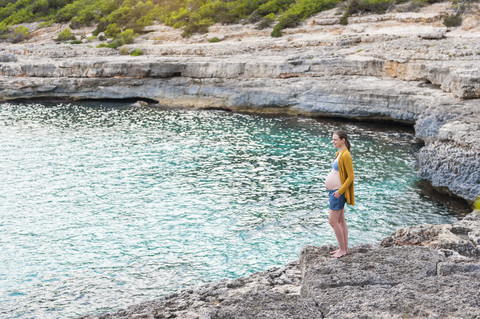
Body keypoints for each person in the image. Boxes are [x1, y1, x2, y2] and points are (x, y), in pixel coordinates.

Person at [324, 130, 355, 258]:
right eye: (333, 139)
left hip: (337, 193)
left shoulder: (346, 155)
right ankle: (344, 248)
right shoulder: (339, 152)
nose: (333, 141)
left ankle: (342, 249)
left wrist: (340, 191)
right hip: (334, 191)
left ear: (343, 140)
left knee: (332, 221)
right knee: (341, 221)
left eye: (335, 139)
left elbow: (351, 176)